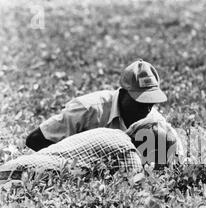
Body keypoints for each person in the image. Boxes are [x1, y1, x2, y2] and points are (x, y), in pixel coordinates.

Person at [25, 59, 170, 151]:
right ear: (124, 93)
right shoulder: (88, 109)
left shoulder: (154, 122)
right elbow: (34, 139)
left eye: (151, 102)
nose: (147, 109)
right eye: (140, 102)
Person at [0, 120, 181, 183]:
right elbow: (138, 191)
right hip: (23, 177)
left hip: (16, 168)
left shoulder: (110, 133)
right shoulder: (128, 151)